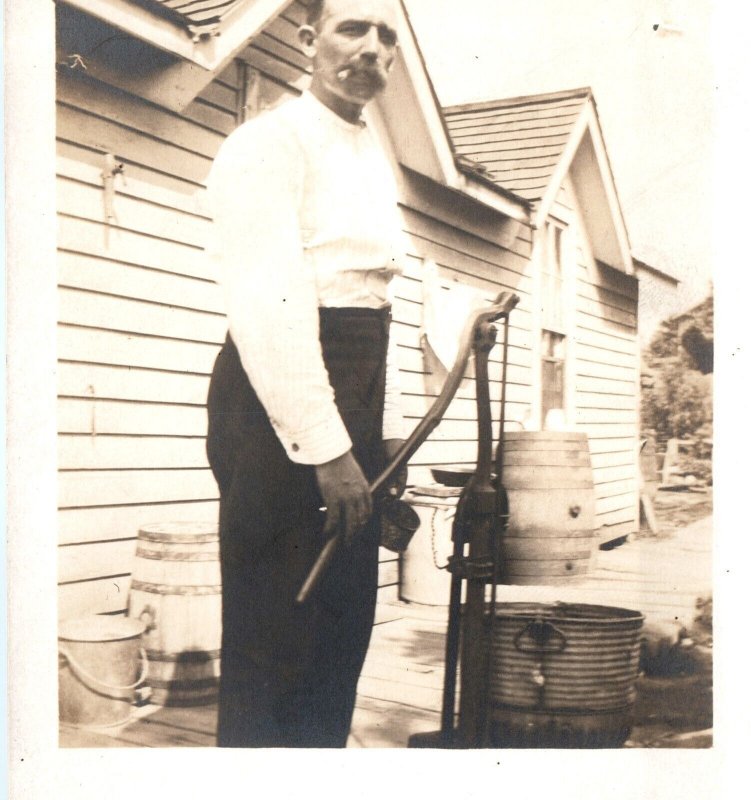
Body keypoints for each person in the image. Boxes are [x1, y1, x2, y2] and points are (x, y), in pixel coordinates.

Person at [205, 0, 407, 748]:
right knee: (275, 632)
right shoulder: (267, 144)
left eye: (386, 35)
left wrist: (381, 446)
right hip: (276, 399)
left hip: (354, 383)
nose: (372, 48)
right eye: (353, 27)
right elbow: (269, 304)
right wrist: (328, 449)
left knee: (339, 631)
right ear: (307, 37)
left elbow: (383, 303)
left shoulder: (368, 158)